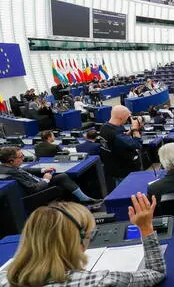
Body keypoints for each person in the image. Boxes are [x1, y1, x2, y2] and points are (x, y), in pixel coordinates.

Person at [0, 194, 165, 287]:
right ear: (77, 241)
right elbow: (156, 273)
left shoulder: (3, 278)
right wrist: (145, 227)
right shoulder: (98, 282)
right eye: (89, 235)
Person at [0, 147, 101, 205]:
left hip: (38, 182)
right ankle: (83, 199)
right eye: (21, 157)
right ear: (11, 160)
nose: (24, 158)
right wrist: (46, 180)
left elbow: (24, 169)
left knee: (62, 177)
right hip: (37, 192)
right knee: (62, 177)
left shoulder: (7, 167)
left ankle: (79, 200)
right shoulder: (12, 173)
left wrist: (43, 170)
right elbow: (34, 189)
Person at [99, 105, 143, 182]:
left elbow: (119, 139)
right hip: (125, 174)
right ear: (120, 117)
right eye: (127, 117)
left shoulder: (104, 127)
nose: (128, 119)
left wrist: (131, 130)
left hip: (113, 169)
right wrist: (135, 130)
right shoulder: (116, 134)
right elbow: (137, 144)